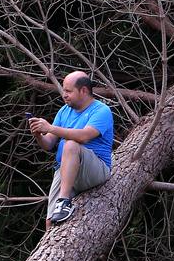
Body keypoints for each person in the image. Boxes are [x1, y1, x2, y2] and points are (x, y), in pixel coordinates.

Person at [28, 71, 114, 227]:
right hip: (65, 169)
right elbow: (48, 144)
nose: (64, 95)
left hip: (96, 170)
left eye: (68, 91)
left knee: (71, 144)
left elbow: (84, 136)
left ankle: (64, 201)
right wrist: (39, 135)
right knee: (50, 222)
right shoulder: (64, 111)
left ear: (84, 91)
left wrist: (51, 128)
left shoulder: (101, 110)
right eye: (63, 90)